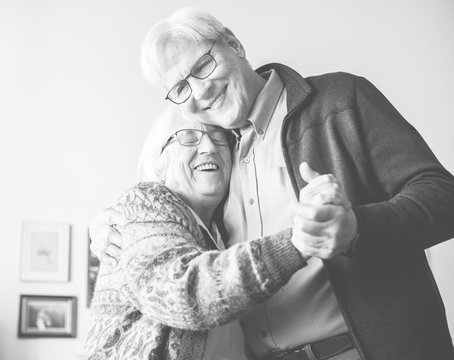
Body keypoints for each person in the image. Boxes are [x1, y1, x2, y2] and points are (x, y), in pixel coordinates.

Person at [90, 7, 454, 360]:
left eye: (202, 67)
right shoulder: (217, 158)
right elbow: (174, 242)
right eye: (181, 88)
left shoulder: (341, 100)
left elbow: (443, 196)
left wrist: (356, 227)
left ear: (234, 45)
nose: (199, 92)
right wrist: (112, 223)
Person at [78, 107, 343, 360]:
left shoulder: (221, 232)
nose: (209, 147)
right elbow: (181, 294)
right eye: (188, 138)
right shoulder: (145, 202)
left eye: (219, 138)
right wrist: (298, 241)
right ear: (158, 163)